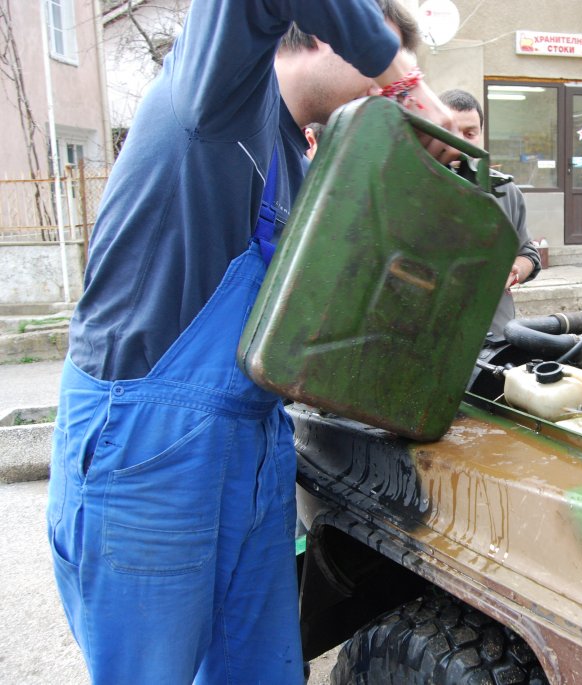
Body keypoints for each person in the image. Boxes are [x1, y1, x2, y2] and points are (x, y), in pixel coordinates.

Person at [47, 1, 450, 683]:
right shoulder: (216, 94)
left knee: (259, 671)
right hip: (149, 449)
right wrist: (404, 77)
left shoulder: (298, 159)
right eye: (375, 71)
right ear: (323, 36)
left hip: (251, 442)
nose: (383, 94)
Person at [439, 88, 541, 340]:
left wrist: (513, 271)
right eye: (449, 131)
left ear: (480, 136)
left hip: (495, 336)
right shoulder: (411, 188)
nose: (460, 142)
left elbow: (528, 254)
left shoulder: (505, 191)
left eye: (469, 133)